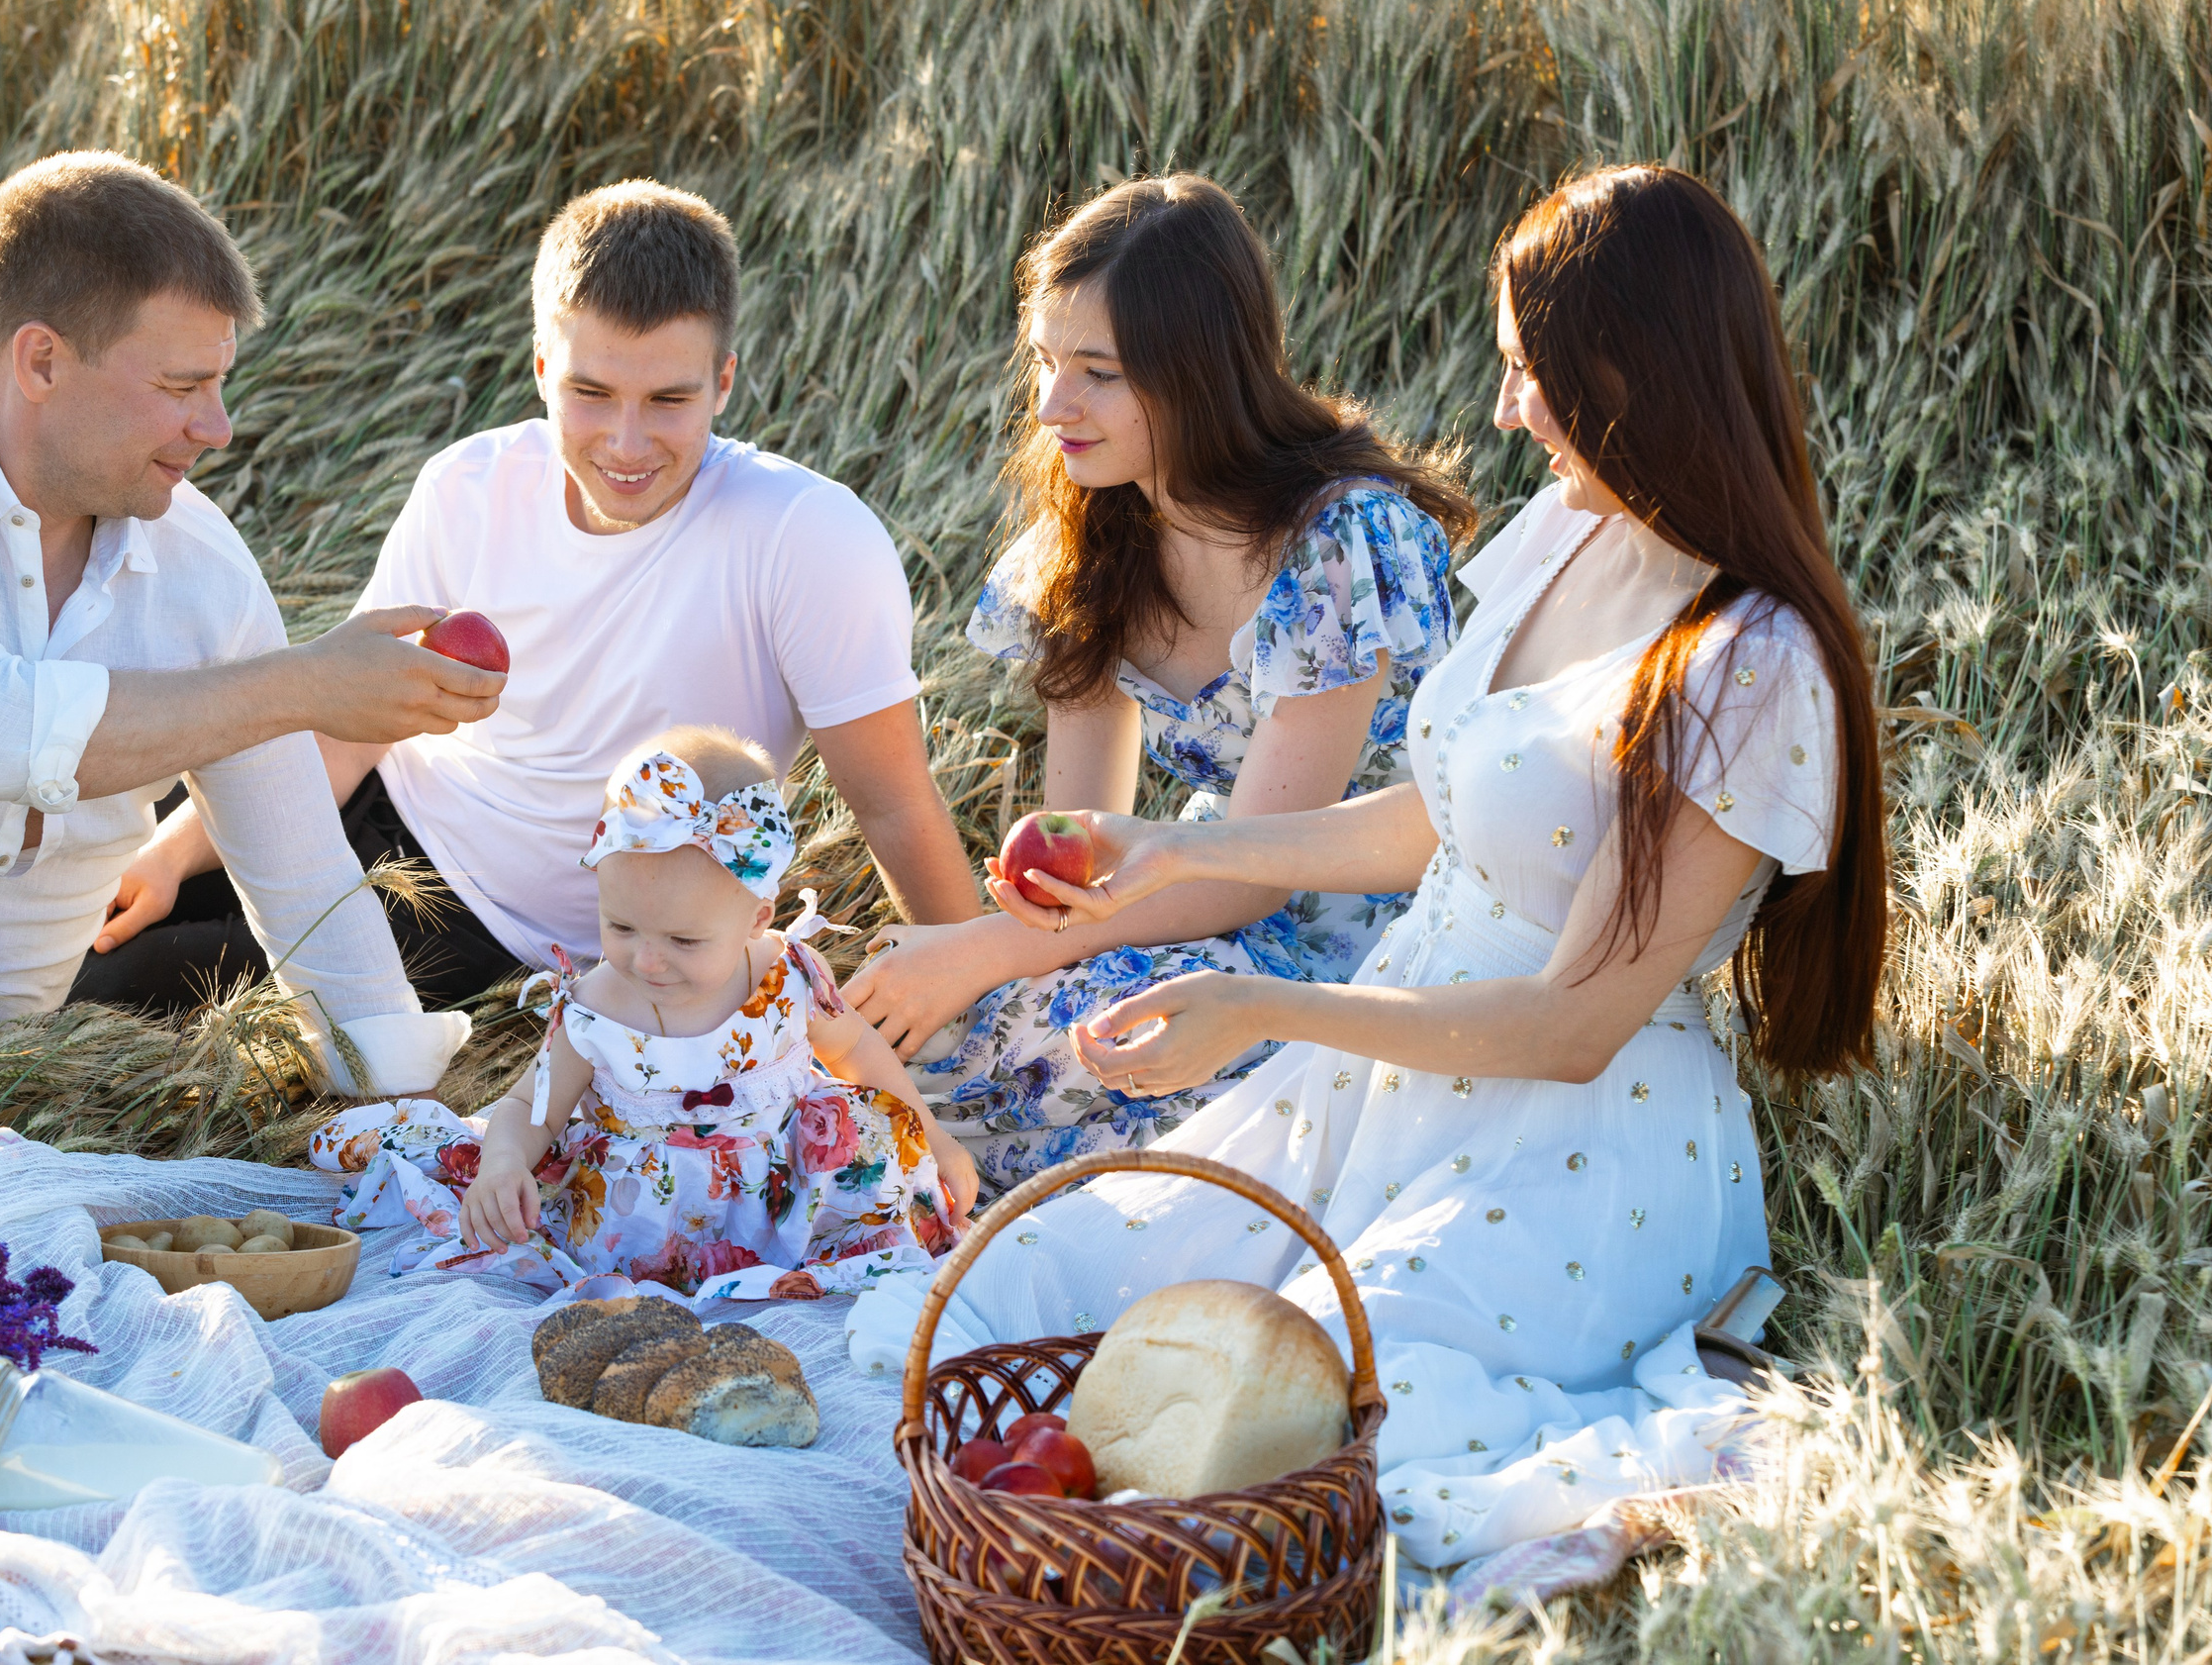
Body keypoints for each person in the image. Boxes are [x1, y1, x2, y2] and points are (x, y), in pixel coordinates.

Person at [846, 163, 1889, 1570]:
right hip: (1389, 1064)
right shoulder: (1565, 535)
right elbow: (1433, 816)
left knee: (1328, 1410)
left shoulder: (1752, 660)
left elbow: (1575, 1028)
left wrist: (1260, 1004)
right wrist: (1166, 847)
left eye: (1535, 373)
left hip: (1579, 1139)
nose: (1508, 407)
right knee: (1032, 1272)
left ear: (1633, 372)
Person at [0, 152, 498, 1093]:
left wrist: (409, 1120)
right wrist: (304, 685)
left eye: (219, 383)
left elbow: (305, 879)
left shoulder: (203, 567)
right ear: (41, 360)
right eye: (182, 386)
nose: (218, 426)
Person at [73, 180, 979, 1017]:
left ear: (726, 381)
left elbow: (893, 802)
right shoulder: (468, 485)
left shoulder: (807, 538)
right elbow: (355, 730)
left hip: (482, 925)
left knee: (103, 986)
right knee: (65, 883)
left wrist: (972, 987)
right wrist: (178, 851)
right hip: (367, 803)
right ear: (543, 367)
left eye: (669, 398)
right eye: (591, 392)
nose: (627, 442)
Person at [842, 175, 1474, 1196]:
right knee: (928, 1046)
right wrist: (1015, 933)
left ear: (1197, 371)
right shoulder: (1095, 540)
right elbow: (1081, 837)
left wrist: (982, 948)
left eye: (1097, 372)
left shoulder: (1339, 539)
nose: (1053, 406)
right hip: (1179, 900)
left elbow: (1258, 874)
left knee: (1101, 1030)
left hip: (1364, 932)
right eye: (1046, 362)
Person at [308, 727, 978, 1302]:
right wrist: (504, 1163)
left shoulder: (786, 974)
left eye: (684, 941)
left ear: (757, 918)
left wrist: (937, 1140)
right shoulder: (596, 1007)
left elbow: (860, 1055)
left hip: (791, 1195)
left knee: (893, 1220)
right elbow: (529, 1108)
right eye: (620, 926)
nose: (648, 960)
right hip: (647, 1228)